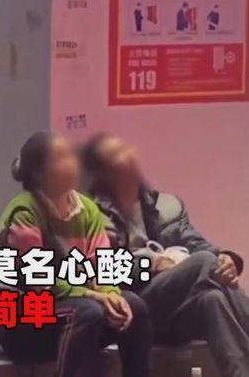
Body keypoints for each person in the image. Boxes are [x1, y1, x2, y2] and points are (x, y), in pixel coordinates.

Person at [81, 133, 249, 377]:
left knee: (213, 298)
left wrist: (227, 259)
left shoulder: (167, 206)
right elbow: (100, 268)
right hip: (137, 304)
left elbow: (198, 244)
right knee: (205, 261)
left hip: (177, 309)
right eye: (115, 155)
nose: (128, 158)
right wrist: (151, 263)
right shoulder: (90, 212)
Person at [0, 132, 152, 377]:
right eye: (60, 159)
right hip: (24, 319)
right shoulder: (24, 212)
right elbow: (40, 282)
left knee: (133, 306)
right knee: (87, 311)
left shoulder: (87, 209)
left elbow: (103, 266)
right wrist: (95, 296)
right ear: (38, 173)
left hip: (77, 309)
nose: (72, 164)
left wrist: (111, 294)